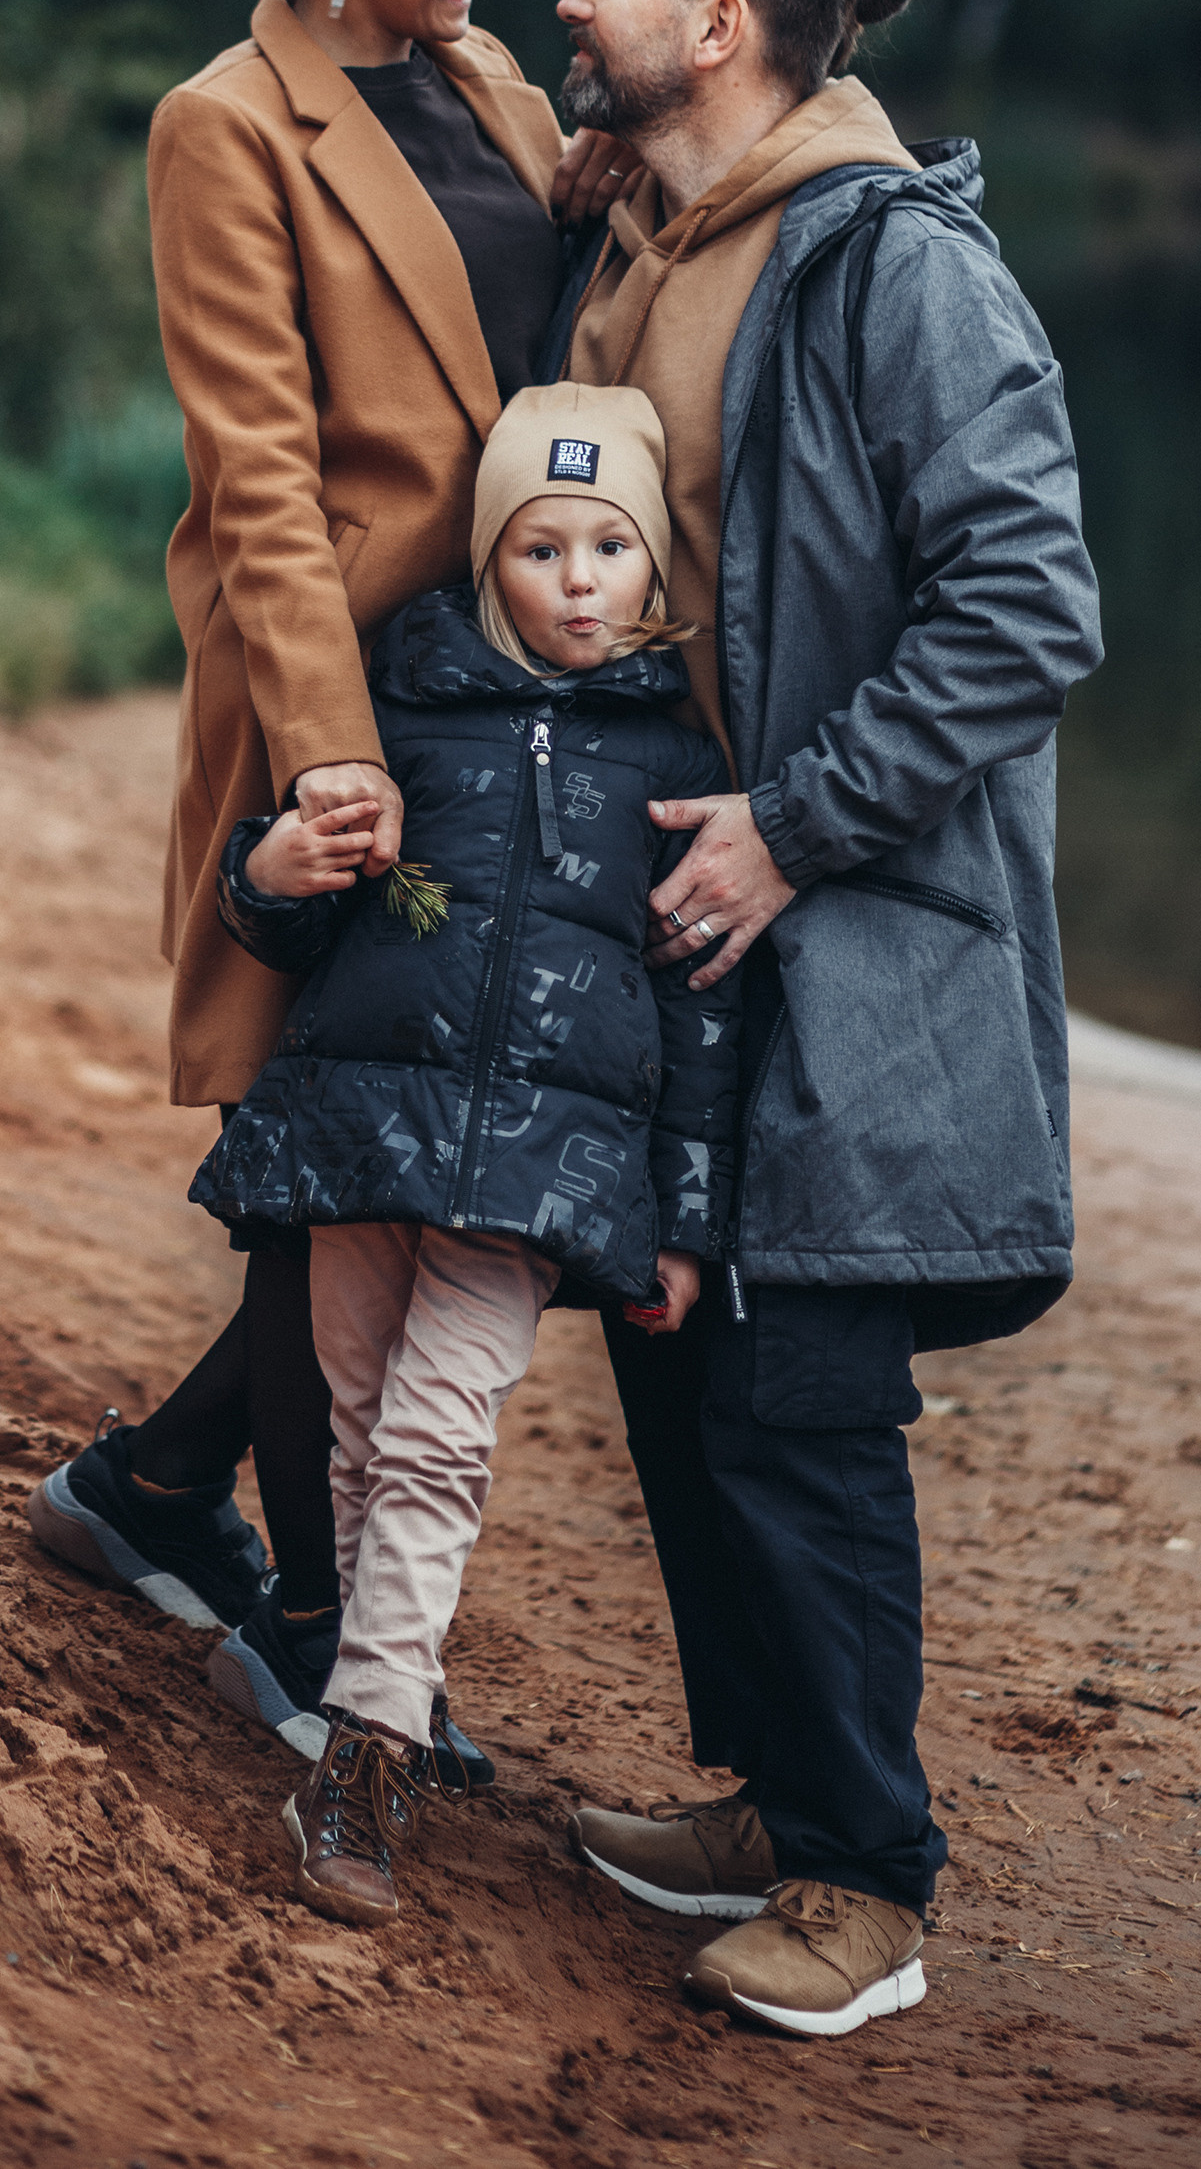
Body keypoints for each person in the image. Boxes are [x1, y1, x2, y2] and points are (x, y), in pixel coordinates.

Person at [545, 0, 1103, 2039]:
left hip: (845, 919)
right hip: (677, 908)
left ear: (720, 27)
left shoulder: (902, 270)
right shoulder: (649, 232)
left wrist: (794, 822)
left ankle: (870, 1883)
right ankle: (775, 1798)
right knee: (678, 1360)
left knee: (800, 1394)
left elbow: (1030, 610)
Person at [26, 0, 615, 1781]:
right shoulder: (225, 126)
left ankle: (147, 1494)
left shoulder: (479, 80)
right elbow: (258, 477)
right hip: (341, 694)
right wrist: (329, 755)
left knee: (387, 1138)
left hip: (508, 693)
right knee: (325, 1155)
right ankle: (303, 1612)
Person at [191, 383, 740, 1928]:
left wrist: (681, 1223)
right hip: (365, 1128)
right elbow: (290, 902)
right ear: (486, 563)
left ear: (655, 568)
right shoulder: (396, 704)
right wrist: (271, 868)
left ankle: (358, 1762)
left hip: (536, 1174)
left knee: (437, 1442)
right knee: (360, 1438)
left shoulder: (676, 758)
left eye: (611, 548)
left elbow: (701, 1008)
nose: (577, 580)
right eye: (539, 547)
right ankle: (398, 1697)